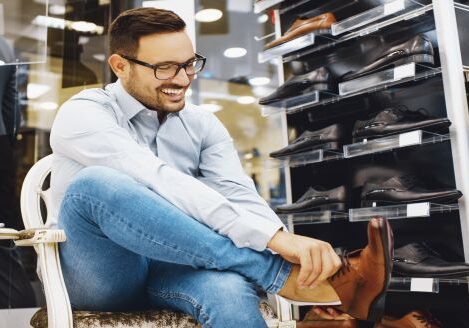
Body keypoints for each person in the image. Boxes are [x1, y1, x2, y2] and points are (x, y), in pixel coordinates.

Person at [49, 8, 393, 327]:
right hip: (103, 274)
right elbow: (155, 178)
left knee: (229, 291)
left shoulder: (202, 124)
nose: (183, 79)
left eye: (189, 64)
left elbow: (239, 194)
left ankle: (307, 284)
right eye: (164, 68)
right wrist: (276, 252)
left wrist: (293, 252)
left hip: (176, 263)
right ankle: (279, 276)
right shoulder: (84, 113)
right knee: (95, 185)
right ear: (120, 65)